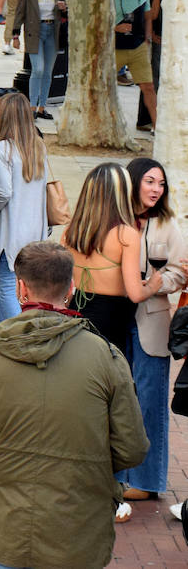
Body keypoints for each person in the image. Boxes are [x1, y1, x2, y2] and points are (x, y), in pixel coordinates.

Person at [0, 242, 149, 569]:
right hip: (79, 525)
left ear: (21, 288)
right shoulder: (106, 355)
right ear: (72, 288)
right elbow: (132, 448)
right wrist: (88, 466)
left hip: (11, 521)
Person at [120, 158, 187, 504]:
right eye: (149, 181)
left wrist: (156, 284)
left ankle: (147, 482)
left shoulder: (167, 224)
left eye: (161, 184)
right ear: (133, 182)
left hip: (152, 320)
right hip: (115, 317)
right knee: (117, 399)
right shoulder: (116, 218)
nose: (156, 189)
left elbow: (181, 271)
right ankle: (115, 475)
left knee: (150, 401)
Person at [61, 162, 163, 354]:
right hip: (111, 320)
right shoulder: (125, 234)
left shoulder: (70, 231)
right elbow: (136, 294)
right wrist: (152, 285)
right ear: (121, 193)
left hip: (76, 311)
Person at [0, 92, 49, 325]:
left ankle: (16, 332)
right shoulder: (38, 146)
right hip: (33, 229)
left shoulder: (4, 149)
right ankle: (4, 331)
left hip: (9, 231)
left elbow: (3, 192)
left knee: (7, 282)